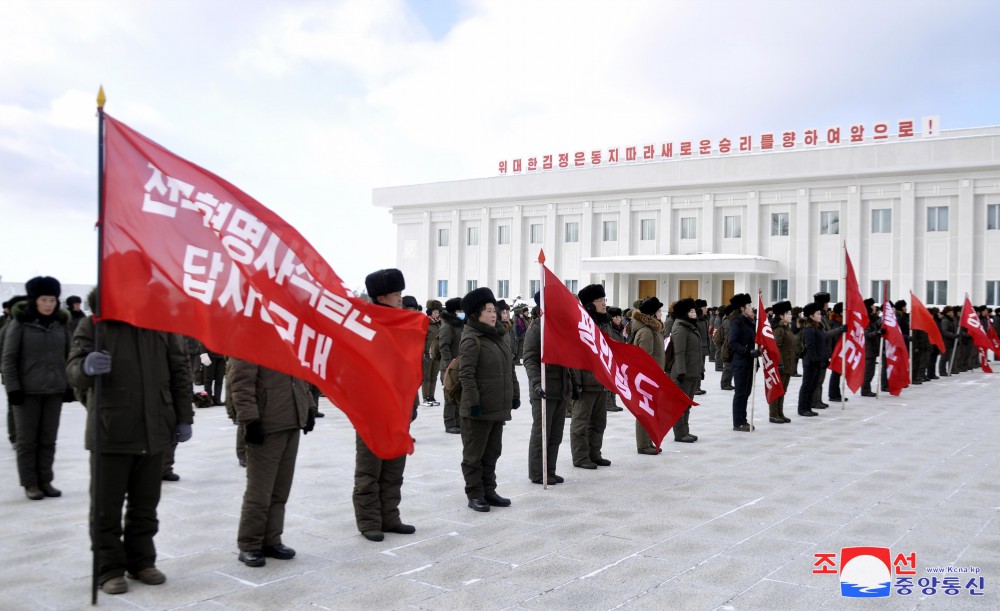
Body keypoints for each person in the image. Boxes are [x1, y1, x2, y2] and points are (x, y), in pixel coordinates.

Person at [66, 289, 193, 595]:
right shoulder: (95, 324)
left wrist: (183, 416)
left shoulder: (162, 324)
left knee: (145, 505)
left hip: (155, 430)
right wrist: (85, 367)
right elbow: (72, 369)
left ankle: (142, 561)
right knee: (105, 508)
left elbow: (180, 372)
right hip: (111, 430)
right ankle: (109, 569)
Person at [230, 355, 316, 567]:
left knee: (280, 490)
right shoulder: (249, 338)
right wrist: (249, 420)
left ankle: (271, 540)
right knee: (260, 491)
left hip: (291, 421)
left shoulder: (288, 335)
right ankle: (250, 544)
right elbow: (240, 383)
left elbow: (301, 377)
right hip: (266, 424)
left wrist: (308, 407)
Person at [351, 268, 417, 541]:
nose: (400, 298)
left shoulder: (402, 324)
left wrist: (410, 403)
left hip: (398, 408)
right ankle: (369, 521)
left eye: (401, 293)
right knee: (370, 468)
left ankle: (390, 516)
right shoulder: (365, 325)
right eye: (395, 293)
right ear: (381, 296)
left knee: (394, 466)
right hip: (372, 409)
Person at [2, 276, 73, 500]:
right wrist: (13, 389)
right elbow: (9, 358)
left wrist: (69, 384)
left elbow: (69, 356)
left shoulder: (61, 324)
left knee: (48, 439)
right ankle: (30, 483)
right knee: (26, 441)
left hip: (54, 391)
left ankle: (46, 480)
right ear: (35, 300)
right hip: (26, 392)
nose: (49, 304)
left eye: (52, 299)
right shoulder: (20, 323)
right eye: (44, 299)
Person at [458, 287, 518, 511]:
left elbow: (509, 370)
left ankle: (489, 490)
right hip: (477, 409)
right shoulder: (472, 339)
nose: (494, 314)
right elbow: (466, 375)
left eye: (494, 310)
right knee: (474, 455)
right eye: (488, 310)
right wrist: (473, 403)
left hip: (497, 407)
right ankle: (475, 494)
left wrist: (514, 394)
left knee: (492, 452)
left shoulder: (500, 337)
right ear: (476, 314)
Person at [523, 292, 568, 485]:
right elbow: (530, 358)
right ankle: (538, 472)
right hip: (544, 388)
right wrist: (536, 383)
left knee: (555, 434)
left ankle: (550, 469)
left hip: (561, 388)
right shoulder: (537, 327)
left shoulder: (561, 327)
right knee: (542, 433)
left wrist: (572, 384)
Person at [570, 284, 613, 468]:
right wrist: (577, 382)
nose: (604, 304)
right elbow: (575, 355)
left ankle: (594, 453)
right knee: (580, 423)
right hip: (586, 382)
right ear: (589, 304)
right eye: (600, 300)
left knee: (598, 423)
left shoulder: (605, 322)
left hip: (602, 381)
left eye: (605, 300)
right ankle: (580, 457)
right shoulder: (581, 324)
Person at [629, 296, 667, 454]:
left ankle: (648, 441)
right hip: (647, 379)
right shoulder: (646, 332)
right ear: (652, 314)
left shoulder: (653, 329)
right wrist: (650, 379)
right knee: (644, 411)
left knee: (650, 410)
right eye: (658, 310)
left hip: (654, 377)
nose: (661, 313)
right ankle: (643, 444)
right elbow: (645, 359)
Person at [798, 302, 845, 418]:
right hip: (811, 362)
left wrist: (824, 359)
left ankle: (808, 407)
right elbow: (810, 347)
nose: (820, 316)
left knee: (813, 385)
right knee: (807, 385)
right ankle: (802, 408)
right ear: (811, 316)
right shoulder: (809, 329)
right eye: (817, 314)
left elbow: (822, 343)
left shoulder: (818, 327)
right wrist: (816, 361)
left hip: (818, 362)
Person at [666, 298, 701, 442]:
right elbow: (679, 353)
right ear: (685, 313)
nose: (695, 313)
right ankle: (680, 433)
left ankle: (685, 430)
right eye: (691, 311)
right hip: (683, 373)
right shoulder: (680, 327)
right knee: (679, 405)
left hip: (692, 372)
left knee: (687, 404)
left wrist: (701, 370)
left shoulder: (690, 326)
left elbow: (696, 352)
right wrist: (681, 372)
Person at [726, 293, 758, 431]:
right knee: (740, 393)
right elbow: (732, 342)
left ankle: (743, 420)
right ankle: (738, 422)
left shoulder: (749, 320)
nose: (751, 308)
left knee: (746, 392)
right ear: (742, 308)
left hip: (750, 362)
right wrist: (747, 351)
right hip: (741, 363)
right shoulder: (737, 321)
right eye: (749, 305)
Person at [438, 297, 465, 434]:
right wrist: (449, 365)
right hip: (450, 367)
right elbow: (444, 346)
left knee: (460, 394)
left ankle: (459, 421)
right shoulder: (447, 325)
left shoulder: (461, 324)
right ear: (454, 311)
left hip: (461, 364)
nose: (463, 312)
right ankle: (450, 423)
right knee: (450, 395)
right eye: (460, 310)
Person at [769, 301, 796, 422]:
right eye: (788, 313)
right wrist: (779, 363)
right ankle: (773, 414)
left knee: (783, 391)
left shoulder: (786, 328)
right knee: (777, 390)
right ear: (781, 316)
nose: (791, 315)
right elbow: (776, 346)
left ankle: (780, 412)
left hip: (788, 364)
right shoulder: (779, 329)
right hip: (781, 365)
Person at [422, 300, 442, 406]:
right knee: (426, 377)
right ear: (430, 312)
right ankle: (426, 397)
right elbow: (422, 339)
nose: (437, 314)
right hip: (426, 354)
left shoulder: (439, 324)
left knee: (434, 376)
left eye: (438, 312)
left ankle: (432, 397)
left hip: (436, 354)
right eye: (435, 312)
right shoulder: (425, 323)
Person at [861, 298, 882, 396]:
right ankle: (865, 390)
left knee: (871, 371)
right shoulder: (866, 319)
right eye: (872, 306)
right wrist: (877, 332)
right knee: (868, 372)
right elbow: (866, 333)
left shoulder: (872, 318)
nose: (874, 307)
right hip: (868, 349)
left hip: (872, 348)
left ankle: (867, 388)